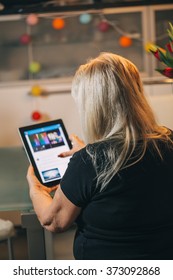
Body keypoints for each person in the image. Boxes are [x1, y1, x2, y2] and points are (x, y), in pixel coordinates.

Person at [27, 52, 173, 260]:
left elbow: (54, 222)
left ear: (94, 106)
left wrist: (35, 188)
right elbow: (129, 159)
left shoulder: (89, 162)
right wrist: (89, 153)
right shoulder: (168, 140)